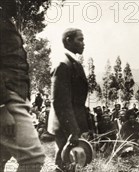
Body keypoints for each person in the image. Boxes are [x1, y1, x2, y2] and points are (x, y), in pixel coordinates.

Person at [0, 1, 46, 171]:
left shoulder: (5, 21)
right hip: (7, 97)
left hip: (13, 96)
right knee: (33, 159)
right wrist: (2, 106)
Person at [48, 28, 94, 170]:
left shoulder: (73, 63)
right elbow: (60, 102)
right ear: (68, 40)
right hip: (65, 126)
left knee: (69, 165)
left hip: (71, 124)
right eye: (80, 39)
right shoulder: (63, 65)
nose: (83, 43)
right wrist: (73, 130)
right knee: (64, 165)